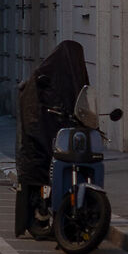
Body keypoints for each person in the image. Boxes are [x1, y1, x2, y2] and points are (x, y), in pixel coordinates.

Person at [15, 38, 89, 237]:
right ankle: (44, 209)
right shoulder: (44, 75)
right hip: (41, 137)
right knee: (42, 168)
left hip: (60, 133)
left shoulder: (74, 79)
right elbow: (34, 110)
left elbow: (84, 102)